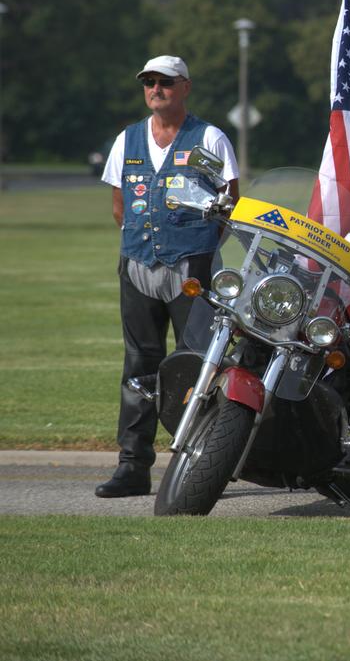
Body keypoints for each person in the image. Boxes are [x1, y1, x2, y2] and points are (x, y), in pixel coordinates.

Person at [94, 56, 240, 498]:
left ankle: (196, 468)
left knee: (194, 366)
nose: (156, 89)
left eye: (166, 82)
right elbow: (120, 204)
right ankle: (133, 466)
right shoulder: (128, 138)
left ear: (185, 87)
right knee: (139, 366)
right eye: (149, 82)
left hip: (192, 267)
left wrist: (193, 245)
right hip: (138, 264)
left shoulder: (209, 137)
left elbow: (230, 202)